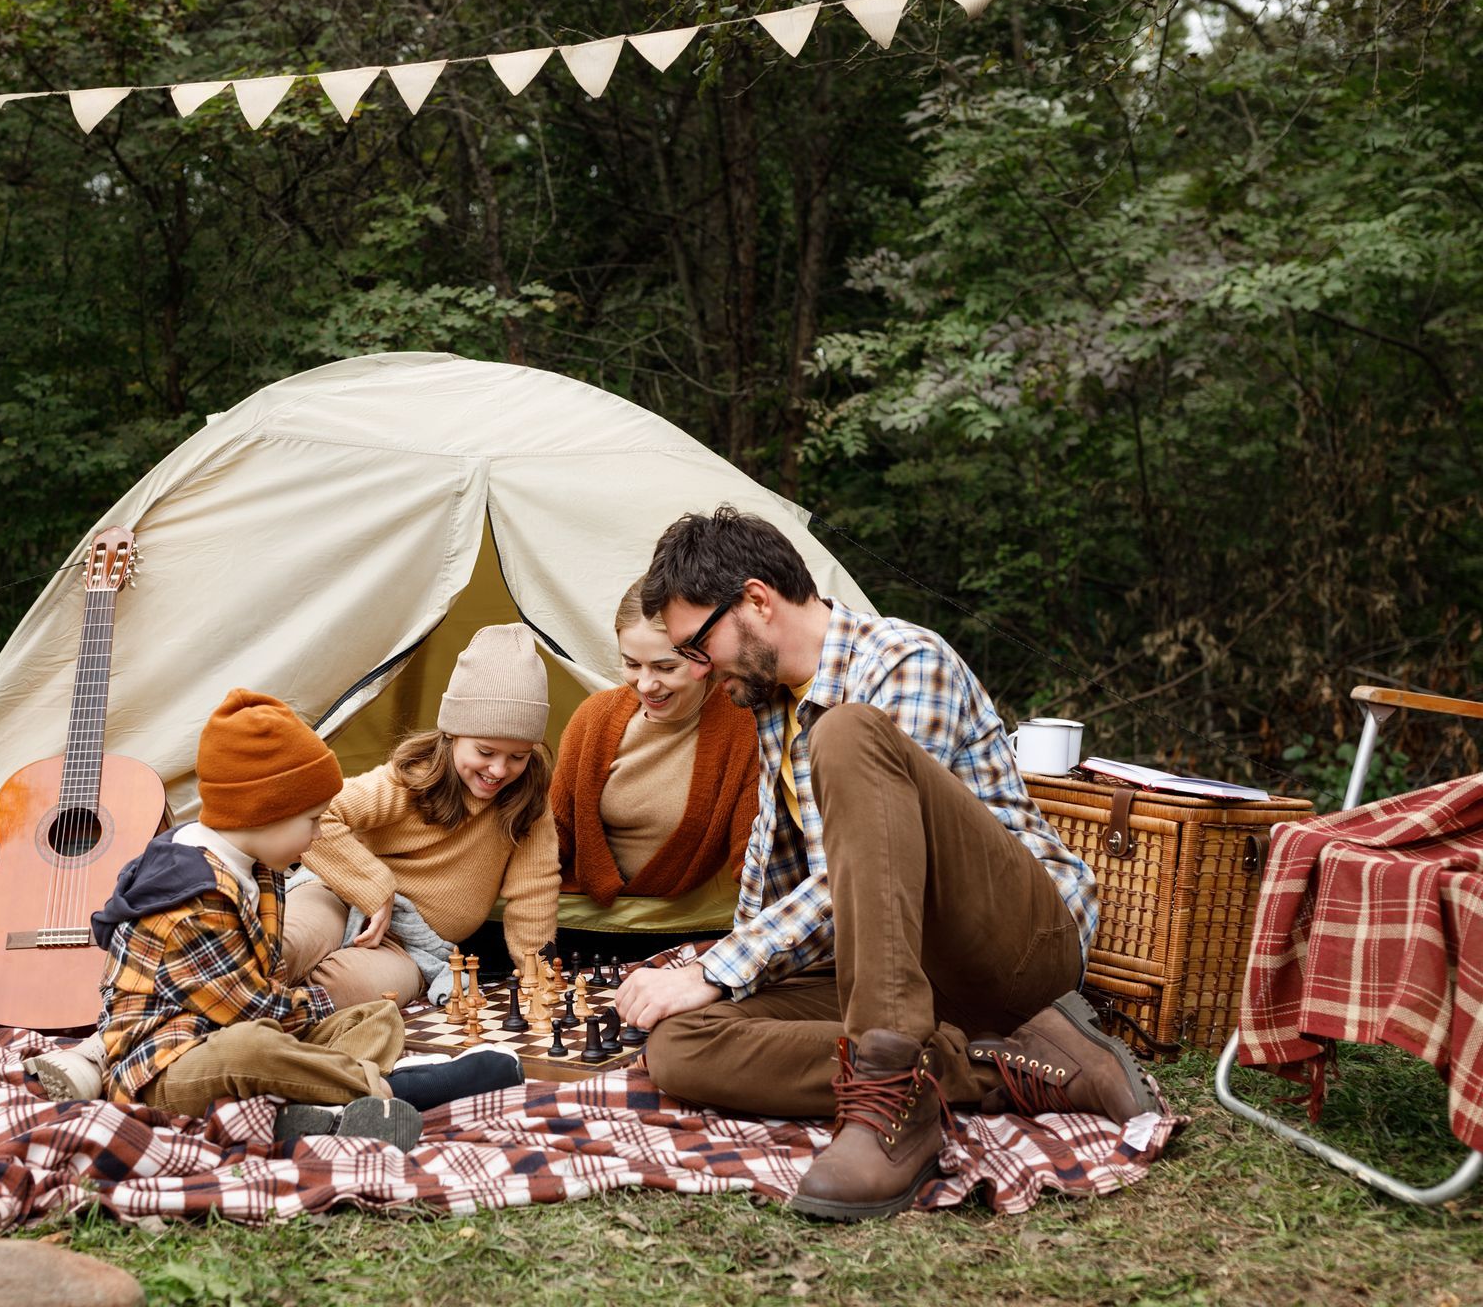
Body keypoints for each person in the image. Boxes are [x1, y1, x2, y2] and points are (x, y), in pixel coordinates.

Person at [613, 506, 1156, 1222]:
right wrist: (718, 986)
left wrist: (718, 967)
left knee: (845, 737)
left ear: (755, 600)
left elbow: (880, 867)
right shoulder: (772, 704)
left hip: (1014, 947)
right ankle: (989, 1065)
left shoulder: (904, 662)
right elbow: (782, 875)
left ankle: (893, 1099)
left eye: (697, 646)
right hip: (893, 973)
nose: (699, 671)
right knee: (681, 1047)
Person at [32, 688, 519, 1143]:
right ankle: (393, 1090)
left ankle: (319, 1111)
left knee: (379, 1015)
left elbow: (268, 998)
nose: (316, 835)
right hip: (168, 1065)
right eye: (310, 821)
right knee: (254, 1047)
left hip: (232, 1027)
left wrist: (317, 1012)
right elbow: (252, 1013)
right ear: (263, 813)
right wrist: (316, 1007)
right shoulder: (194, 895)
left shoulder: (258, 868)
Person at [282, 623, 562, 1003]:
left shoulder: (528, 803)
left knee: (346, 993)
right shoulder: (410, 780)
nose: (499, 770)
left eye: (518, 756)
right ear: (450, 735)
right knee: (285, 947)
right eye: (485, 752)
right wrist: (372, 887)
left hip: (410, 947)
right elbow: (314, 812)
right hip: (336, 897)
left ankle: (271, 1025)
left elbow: (533, 892)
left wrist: (536, 971)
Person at [550, 576, 758, 926]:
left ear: (703, 657)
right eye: (632, 664)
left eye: (665, 667)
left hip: (680, 925)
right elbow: (556, 832)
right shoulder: (594, 717)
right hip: (581, 918)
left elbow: (754, 857)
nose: (645, 684)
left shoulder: (743, 728)